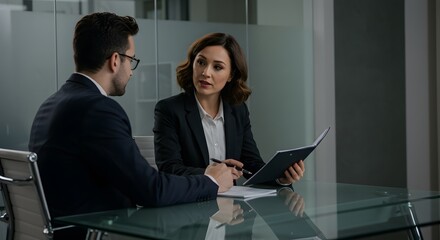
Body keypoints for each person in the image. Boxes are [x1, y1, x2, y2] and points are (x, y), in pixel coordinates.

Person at [28, 13, 233, 239]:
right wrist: (210, 181)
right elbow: (150, 190)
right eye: (131, 60)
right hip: (95, 233)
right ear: (115, 60)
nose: (131, 71)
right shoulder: (98, 109)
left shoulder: (51, 104)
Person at [153, 32, 305, 186]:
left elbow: (252, 164)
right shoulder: (169, 110)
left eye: (217, 67)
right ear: (193, 64)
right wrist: (209, 173)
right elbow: (168, 168)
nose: (206, 73)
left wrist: (280, 178)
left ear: (231, 75)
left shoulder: (238, 111)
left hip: (232, 205)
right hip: (190, 204)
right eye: (201, 62)